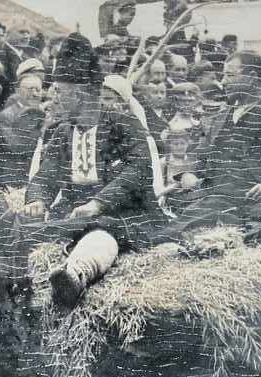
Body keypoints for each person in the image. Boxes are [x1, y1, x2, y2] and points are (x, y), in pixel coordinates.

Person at [23, 36, 166, 310]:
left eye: (59, 93)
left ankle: (75, 275)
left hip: (123, 212)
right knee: (23, 228)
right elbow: (46, 174)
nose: (54, 100)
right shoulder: (62, 132)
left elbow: (137, 171)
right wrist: (36, 199)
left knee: (102, 229)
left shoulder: (124, 125)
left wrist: (98, 203)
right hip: (74, 213)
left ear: (80, 94)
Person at [159, 50, 261, 246]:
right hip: (218, 197)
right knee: (169, 235)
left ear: (252, 77)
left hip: (256, 200)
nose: (224, 82)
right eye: (223, 76)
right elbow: (203, 158)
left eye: (230, 75)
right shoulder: (220, 117)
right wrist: (188, 174)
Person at [0, 71, 46, 188]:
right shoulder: (6, 115)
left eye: (38, 90)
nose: (34, 94)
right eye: (29, 89)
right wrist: (43, 131)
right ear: (18, 91)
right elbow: (17, 147)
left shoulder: (45, 114)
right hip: (16, 179)